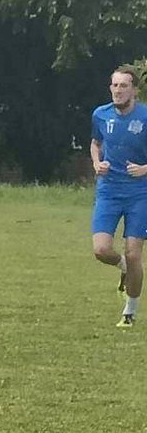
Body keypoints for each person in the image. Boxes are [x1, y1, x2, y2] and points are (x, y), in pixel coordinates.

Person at [89, 65, 147, 327]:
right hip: (109, 190)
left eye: (124, 85)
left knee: (135, 254)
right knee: (101, 250)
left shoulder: (145, 117)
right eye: (115, 85)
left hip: (140, 192)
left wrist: (145, 168)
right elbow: (95, 143)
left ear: (134, 90)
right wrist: (96, 163)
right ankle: (122, 266)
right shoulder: (100, 114)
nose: (118, 90)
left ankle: (130, 312)